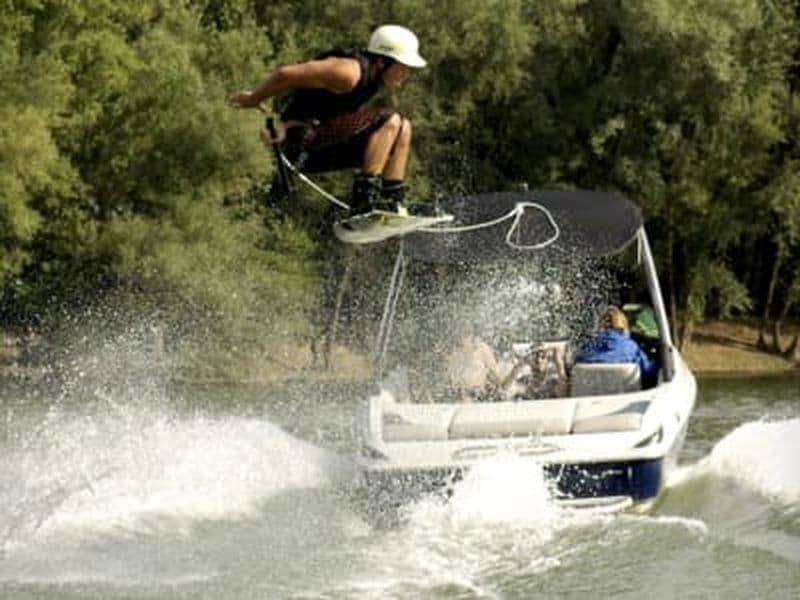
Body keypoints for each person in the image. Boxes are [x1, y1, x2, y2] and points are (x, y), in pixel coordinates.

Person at [229, 24, 427, 215]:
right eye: (402, 67)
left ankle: (394, 201)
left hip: (322, 141)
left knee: (404, 126)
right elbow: (285, 74)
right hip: (299, 143)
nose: (406, 74)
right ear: (382, 62)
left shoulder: (374, 77)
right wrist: (252, 99)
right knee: (390, 120)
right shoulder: (347, 72)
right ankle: (365, 200)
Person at [574, 306, 658, 388]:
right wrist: (657, 360)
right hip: (626, 398)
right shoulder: (631, 347)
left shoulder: (588, 347)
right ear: (624, 325)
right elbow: (649, 372)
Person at [444, 321, 512, 402]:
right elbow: (450, 376)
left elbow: (493, 371)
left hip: (479, 394)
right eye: (460, 333)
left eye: (466, 333)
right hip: (459, 396)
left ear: (472, 334)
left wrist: (499, 388)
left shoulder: (481, 348)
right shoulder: (453, 352)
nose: (463, 337)